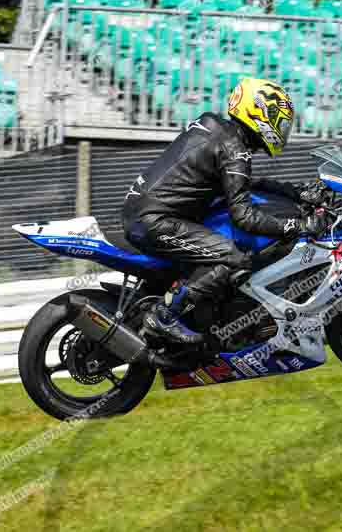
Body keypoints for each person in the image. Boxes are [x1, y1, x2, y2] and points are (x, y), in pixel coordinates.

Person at [122, 77, 329, 345]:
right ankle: (163, 315)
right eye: (278, 120)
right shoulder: (234, 149)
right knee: (233, 257)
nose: (281, 128)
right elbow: (245, 216)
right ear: (258, 113)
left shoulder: (215, 129)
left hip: (146, 213)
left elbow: (242, 183)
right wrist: (299, 226)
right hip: (155, 221)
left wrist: (295, 192)